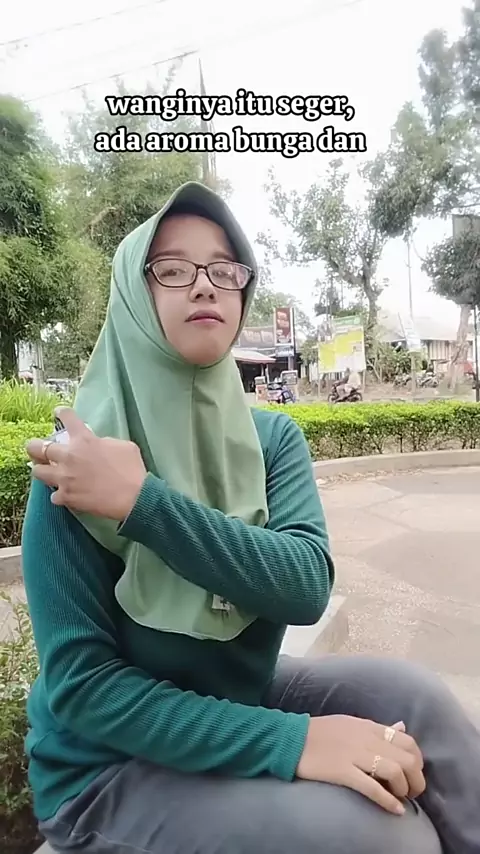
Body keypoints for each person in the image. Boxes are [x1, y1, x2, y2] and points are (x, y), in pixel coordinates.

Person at [22, 182, 479, 854]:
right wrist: (295, 741)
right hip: (106, 770)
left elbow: (305, 586)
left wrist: (145, 504)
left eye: (224, 269)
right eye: (172, 269)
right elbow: (85, 690)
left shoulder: (272, 441)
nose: (205, 285)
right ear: (134, 297)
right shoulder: (76, 466)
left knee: (419, 704)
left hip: (239, 693)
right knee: (383, 836)